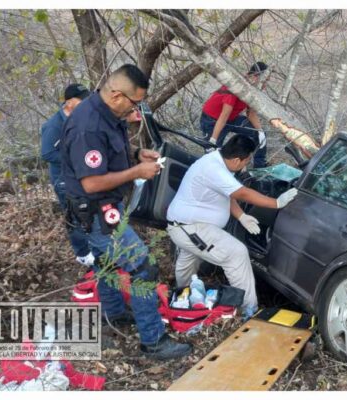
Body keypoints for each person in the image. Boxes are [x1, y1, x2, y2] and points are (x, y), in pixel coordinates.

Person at [60, 64, 191, 360]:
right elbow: (91, 181)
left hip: (104, 206)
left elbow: (108, 154)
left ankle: (115, 312)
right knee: (143, 267)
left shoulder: (108, 112)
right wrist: (137, 171)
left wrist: (136, 155)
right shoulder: (88, 125)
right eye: (135, 103)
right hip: (95, 210)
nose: (136, 109)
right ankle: (153, 341)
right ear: (117, 95)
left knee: (106, 260)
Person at [166, 134, 298, 318]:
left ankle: (183, 296)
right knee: (236, 253)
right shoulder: (214, 169)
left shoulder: (217, 161)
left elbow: (225, 195)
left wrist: (242, 216)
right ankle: (248, 310)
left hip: (187, 226)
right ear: (236, 159)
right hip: (190, 227)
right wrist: (276, 203)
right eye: (246, 161)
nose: (246, 165)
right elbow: (242, 193)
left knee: (189, 259)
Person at [41, 83, 93, 266]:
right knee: (74, 214)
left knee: (87, 210)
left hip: (81, 176)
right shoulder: (53, 126)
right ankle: (82, 253)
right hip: (63, 179)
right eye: (82, 100)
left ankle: (93, 245)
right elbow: (46, 153)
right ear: (69, 102)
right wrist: (74, 159)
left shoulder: (82, 117)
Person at [200, 61, 269, 168]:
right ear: (255, 76)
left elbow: (251, 113)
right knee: (213, 153)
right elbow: (224, 115)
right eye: (265, 80)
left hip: (231, 118)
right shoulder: (235, 86)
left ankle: (260, 167)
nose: (266, 84)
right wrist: (213, 140)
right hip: (212, 120)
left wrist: (260, 131)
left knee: (259, 134)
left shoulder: (255, 88)